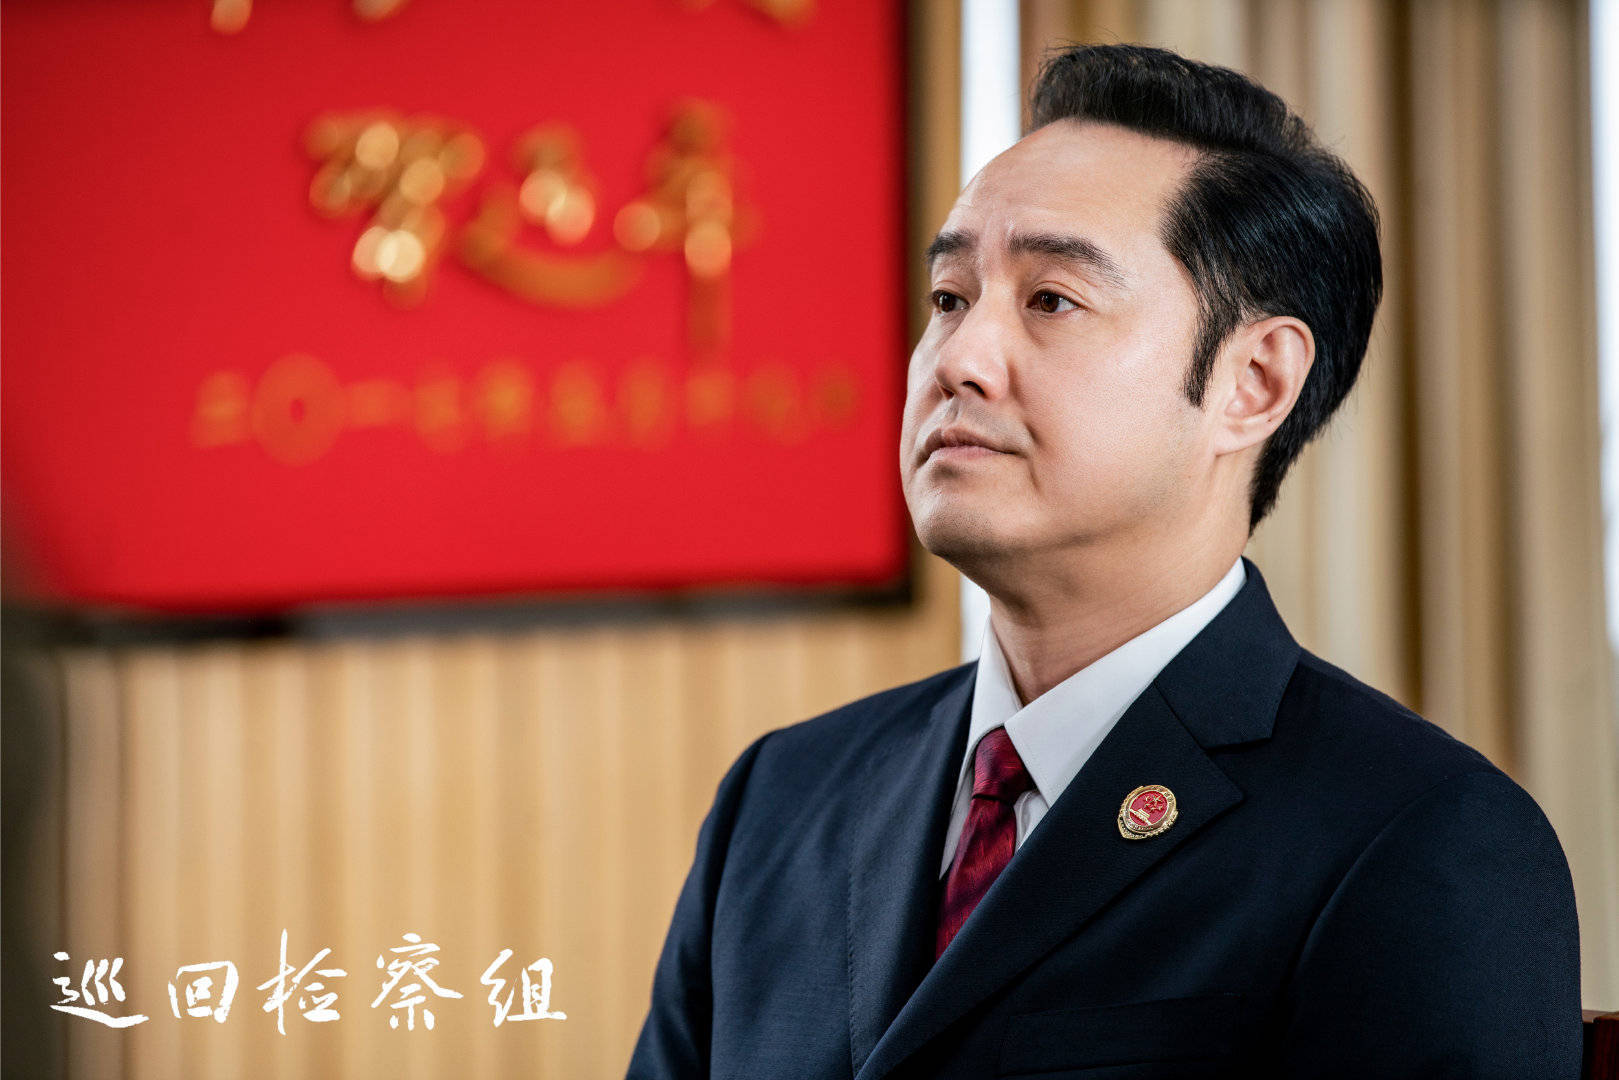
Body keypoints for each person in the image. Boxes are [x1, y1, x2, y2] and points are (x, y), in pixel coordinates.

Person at [626, 43, 1583, 1079]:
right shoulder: (783, 796)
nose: (958, 360)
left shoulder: (1418, 839)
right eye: (948, 297)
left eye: (1050, 300)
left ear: (1253, 382)